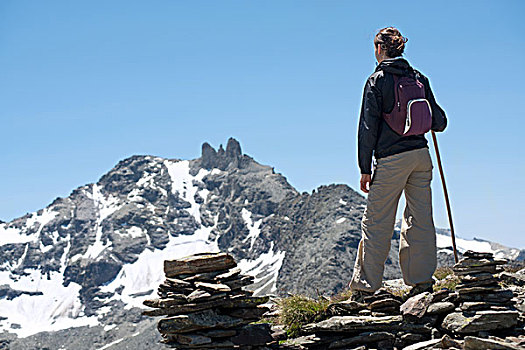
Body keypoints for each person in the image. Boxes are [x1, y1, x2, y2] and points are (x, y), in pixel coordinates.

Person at [349, 27, 447, 301]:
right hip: (421, 158)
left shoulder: (376, 81)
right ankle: (421, 283)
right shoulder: (419, 78)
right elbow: (439, 121)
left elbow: (367, 128)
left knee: (377, 221)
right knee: (420, 218)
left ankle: (366, 289)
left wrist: (364, 168)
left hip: (391, 160)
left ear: (380, 49)